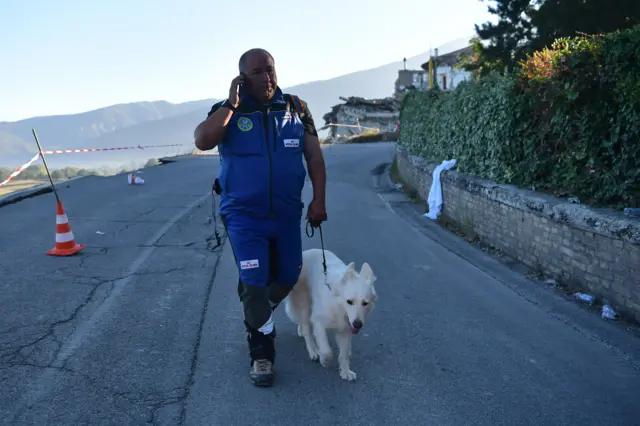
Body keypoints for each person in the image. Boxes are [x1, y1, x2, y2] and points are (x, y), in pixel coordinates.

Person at [193, 48, 327, 387]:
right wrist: (231, 105)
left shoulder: (295, 108)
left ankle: (256, 309)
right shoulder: (226, 113)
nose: (266, 77)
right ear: (242, 78)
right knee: (254, 281)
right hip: (243, 215)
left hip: (286, 212)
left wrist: (318, 200)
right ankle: (262, 353)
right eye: (257, 72)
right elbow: (203, 140)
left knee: (288, 273)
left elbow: (314, 157)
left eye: (270, 69)